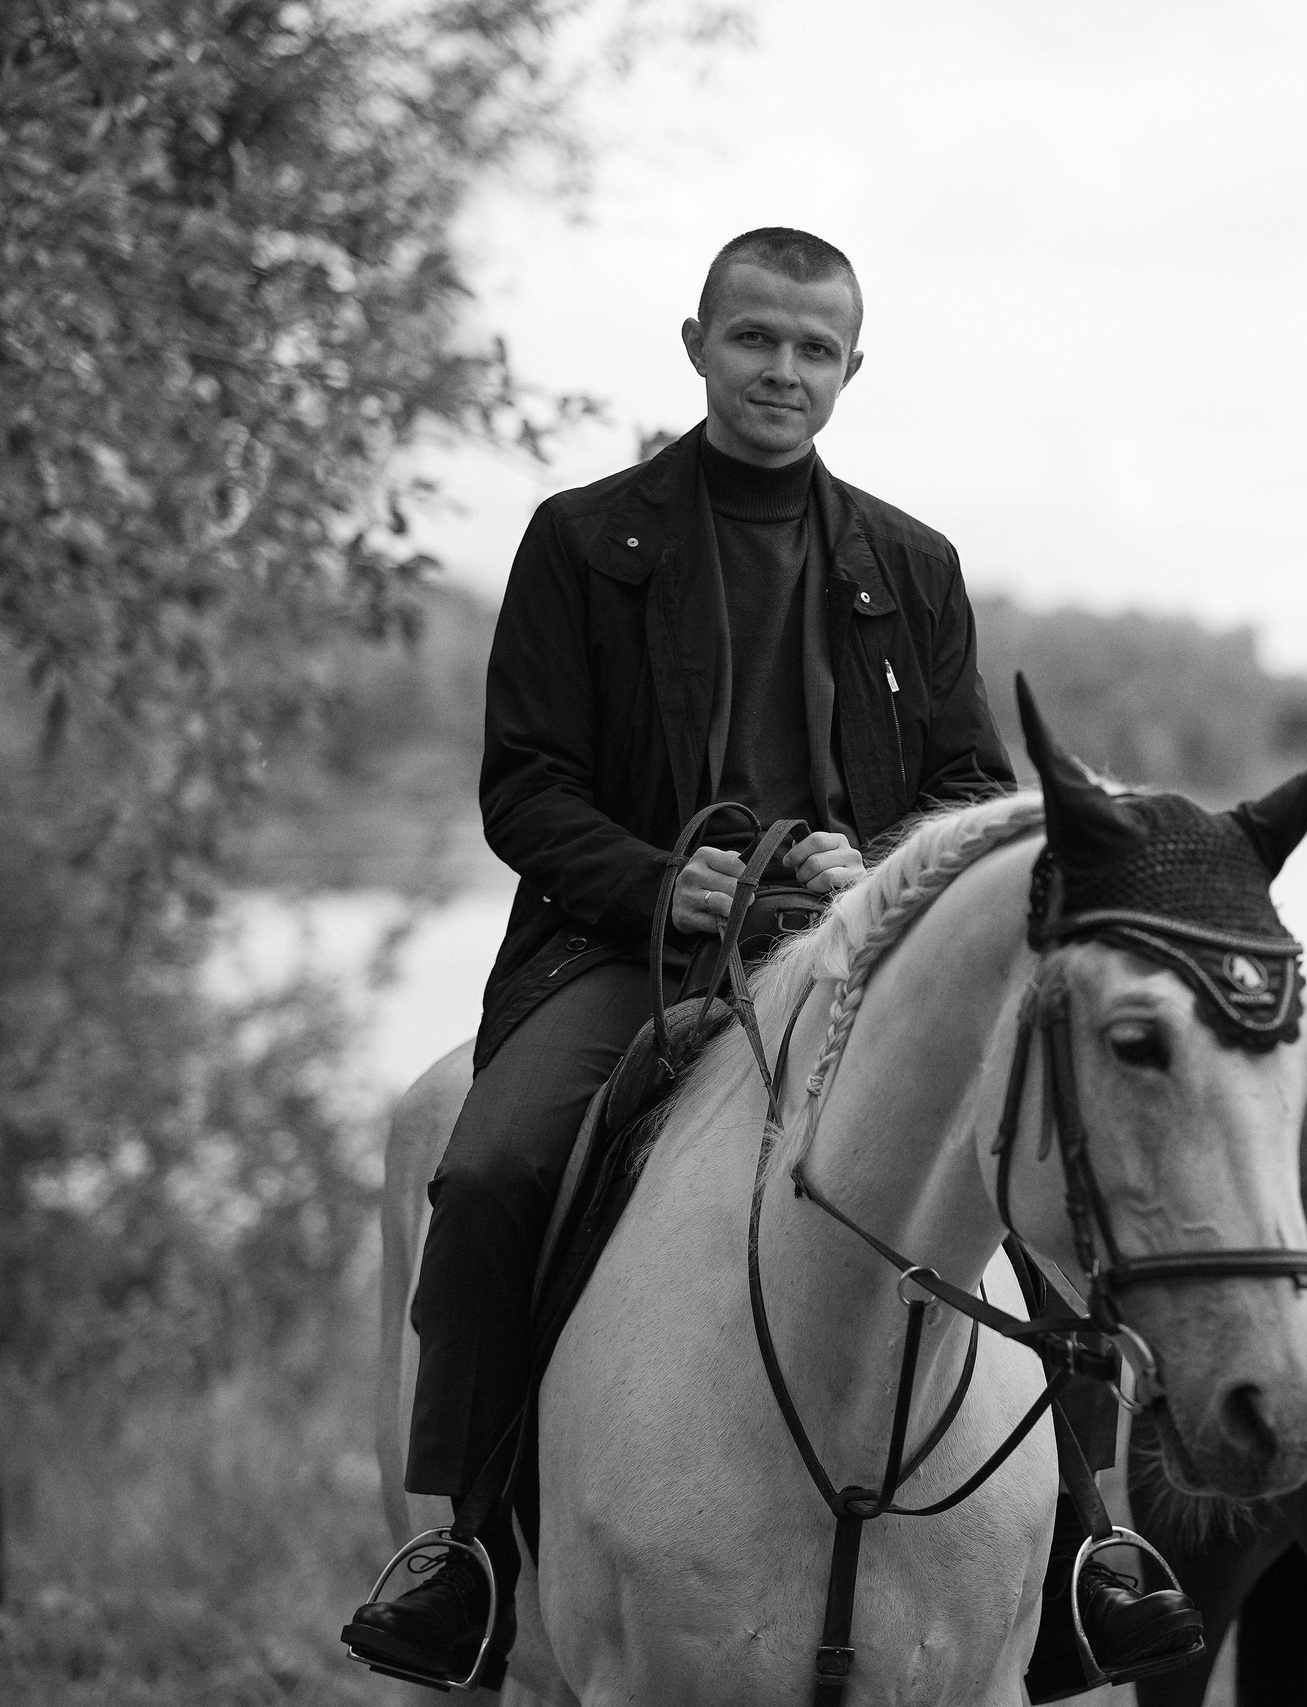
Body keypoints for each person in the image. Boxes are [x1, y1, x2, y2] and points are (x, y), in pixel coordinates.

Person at [343, 227, 1193, 1687]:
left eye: (813, 350)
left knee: (1029, 1173)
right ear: (697, 344)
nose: (781, 372)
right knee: (486, 1173)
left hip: (863, 974)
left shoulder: (910, 564)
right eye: (755, 340)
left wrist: (884, 874)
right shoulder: (579, 540)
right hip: (624, 956)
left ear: (851, 369)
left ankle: (1079, 1545)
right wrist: (664, 883)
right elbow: (526, 788)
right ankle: (473, 1550)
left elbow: (963, 787)